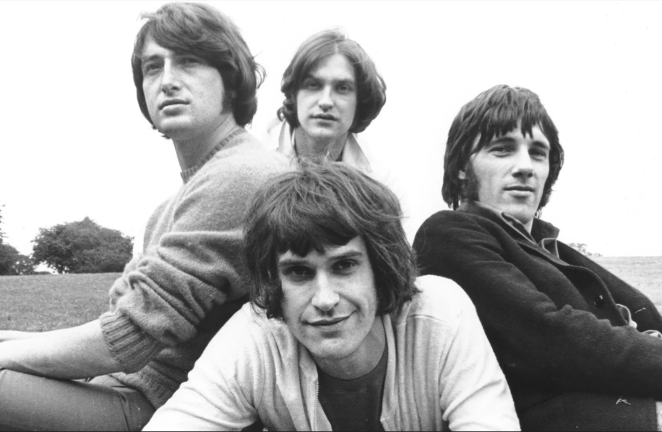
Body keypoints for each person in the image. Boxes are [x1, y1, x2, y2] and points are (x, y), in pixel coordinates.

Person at [0, 3, 289, 430]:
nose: (167, 80)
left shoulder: (242, 174)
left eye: (188, 62)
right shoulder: (174, 203)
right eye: (153, 67)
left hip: (165, 408)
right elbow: (117, 321)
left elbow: (127, 340)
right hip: (124, 389)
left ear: (231, 80)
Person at [144, 162, 520, 431]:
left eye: (344, 266)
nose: (325, 299)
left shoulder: (440, 314)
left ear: (380, 268)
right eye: (299, 272)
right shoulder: (255, 338)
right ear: (274, 282)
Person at [413, 84, 662, 431]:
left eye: (538, 153)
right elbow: (552, 340)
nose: (525, 167)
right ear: (461, 168)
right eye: (502, 149)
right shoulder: (448, 233)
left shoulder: (553, 248)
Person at [273, 29, 386, 172]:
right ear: (294, 94)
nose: (325, 102)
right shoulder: (258, 159)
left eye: (342, 88)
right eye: (313, 85)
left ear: (360, 102)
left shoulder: (378, 176)